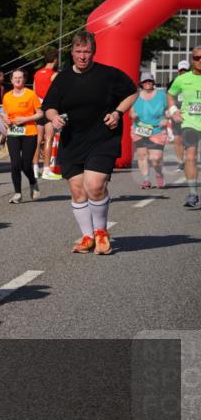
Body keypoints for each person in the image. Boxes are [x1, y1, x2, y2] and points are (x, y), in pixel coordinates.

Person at [41, 31, 137, 255]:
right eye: (78, 52)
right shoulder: (62, 78)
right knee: (77, 191)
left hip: (103, 137)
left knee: (94, 185)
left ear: (93, 52)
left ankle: (101, 233)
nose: (82, 56)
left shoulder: (108, 75)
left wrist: (117, 112)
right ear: (72, 52)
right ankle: (87, 236)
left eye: (87, 52)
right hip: (73, 139)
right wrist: (54, 117)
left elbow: (132, 93)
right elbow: (49, 106)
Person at [1, 68, 43, 203]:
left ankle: (32, 181)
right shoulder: (7, 96)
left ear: (24, 79)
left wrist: (25, 119)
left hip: (29, 132)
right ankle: (17, 193)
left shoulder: (30, 95)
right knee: (15, 163)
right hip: (13, 132)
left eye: (20, 77)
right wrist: (5, 120)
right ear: (11, 80)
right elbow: (5, 114)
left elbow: (40, 113)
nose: (18, 80)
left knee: (26, 165)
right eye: (15, 78)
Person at [167, 47, 201, 208]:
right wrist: (173, 110)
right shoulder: (182, 79)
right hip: (190, 123)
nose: (200, 60)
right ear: (192, 59)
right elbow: (170, 94)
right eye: (196, 58)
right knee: (191, 157)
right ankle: (193, 193)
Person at [129, 72, 168, 189]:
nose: (147, 83)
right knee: (142, 155)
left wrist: (166, 118)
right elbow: (130, 111)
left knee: (155, 158)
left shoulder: (161, 95)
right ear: (141, 83)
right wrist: (132, 114)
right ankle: (146, 180)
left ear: (153, 82)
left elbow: (168, 109)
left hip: (157, 130)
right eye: (145, 81)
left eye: (149, 81)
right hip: (139, 129)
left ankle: (158, 173)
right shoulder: (136, 96)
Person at [34, 49, 59, 178]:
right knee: (49, 138)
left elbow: (34, 91)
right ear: (55, 60)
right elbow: (57, 93)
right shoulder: (54, 75)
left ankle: (34, 167)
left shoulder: (37, 74)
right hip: (49, 108)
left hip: (38, 108)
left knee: (38, 139)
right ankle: (46, 169)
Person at [171, 59, 190, 171]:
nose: (183, 72)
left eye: (185, 70)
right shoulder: (174, 83)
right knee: (177, 139)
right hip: (176, 114)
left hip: (190, 115)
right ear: (178, 71)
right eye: (181, 70)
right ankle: (180, 162)